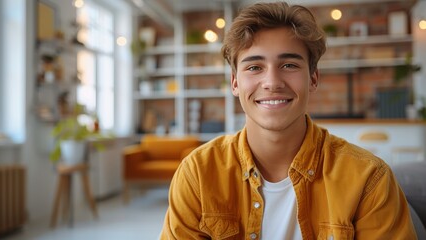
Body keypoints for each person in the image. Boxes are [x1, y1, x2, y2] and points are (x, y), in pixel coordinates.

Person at [160, 2, 417, 239]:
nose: (272, 82)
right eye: (254, 67)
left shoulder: (368, 179)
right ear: (235, 82)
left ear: (313, 78)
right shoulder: (198, 174)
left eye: (289, 65)